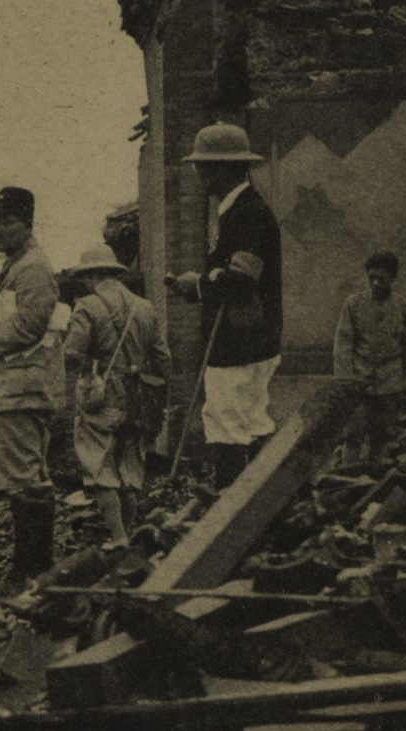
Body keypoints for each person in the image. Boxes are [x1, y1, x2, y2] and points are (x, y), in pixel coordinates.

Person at [169, 123, 283, 489]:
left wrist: (199, 286)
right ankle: (265, 505)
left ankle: (230, 507)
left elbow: (242, 282)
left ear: (223, 168)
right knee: (251, 421)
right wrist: (209, 280)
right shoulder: (237, 211)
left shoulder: (248, 213)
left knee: (226, 422)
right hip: (250, 339)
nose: (198, 173)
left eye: (203, 166)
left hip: (238, 343)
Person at [0, 187, 64, 582]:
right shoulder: (18, 265)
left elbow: (29, 326)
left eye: (6, 222)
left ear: (26, 224)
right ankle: (29, 568)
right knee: (23, 479)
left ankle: (31, 570)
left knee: (26, 481)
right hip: (13, 389)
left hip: (19, 391)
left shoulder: (32, 268)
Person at [64, 244, 170, 545]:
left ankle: (119, 538)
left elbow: (72, 354)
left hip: (102, 397)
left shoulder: (87, 305)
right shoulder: (144, 306)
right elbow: (163, 359)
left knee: (99, 466)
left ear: (91, 275)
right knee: (130, 466)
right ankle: (131, 534)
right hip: (139, 398)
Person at [333, 251, 406, 471]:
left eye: (382, 278)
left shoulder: (404, 307)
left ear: (393, 278)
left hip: (390, 384)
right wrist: (345, 379)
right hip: (359, 384)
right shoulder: (353, 304)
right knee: (353, 433)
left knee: (382, 435)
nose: (376, 283)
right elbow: (344, 343)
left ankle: (374, 477)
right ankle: (347, 475)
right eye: (372, 277)